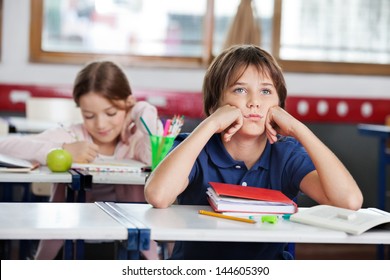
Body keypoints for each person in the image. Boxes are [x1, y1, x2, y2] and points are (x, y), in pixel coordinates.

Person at [144, 45, 363, 260]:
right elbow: (158, 195)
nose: (254, 102)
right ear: (215, 104)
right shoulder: (195, 148)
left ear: (279, 106)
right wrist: (210, 125)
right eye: (240, 90)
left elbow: (349, 202)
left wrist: (299, 129)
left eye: (266, 91)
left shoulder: (286, 154)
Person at [0, 60, 162, 260]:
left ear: (129, 104)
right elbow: (5, 146)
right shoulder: (73, 136)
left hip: (131, 246)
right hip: (72, 243)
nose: (101, 124)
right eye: (89, 115)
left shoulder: (136, 141)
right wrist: (63, 150)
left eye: (111, 113)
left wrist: (143, 112)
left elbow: (157, 158)